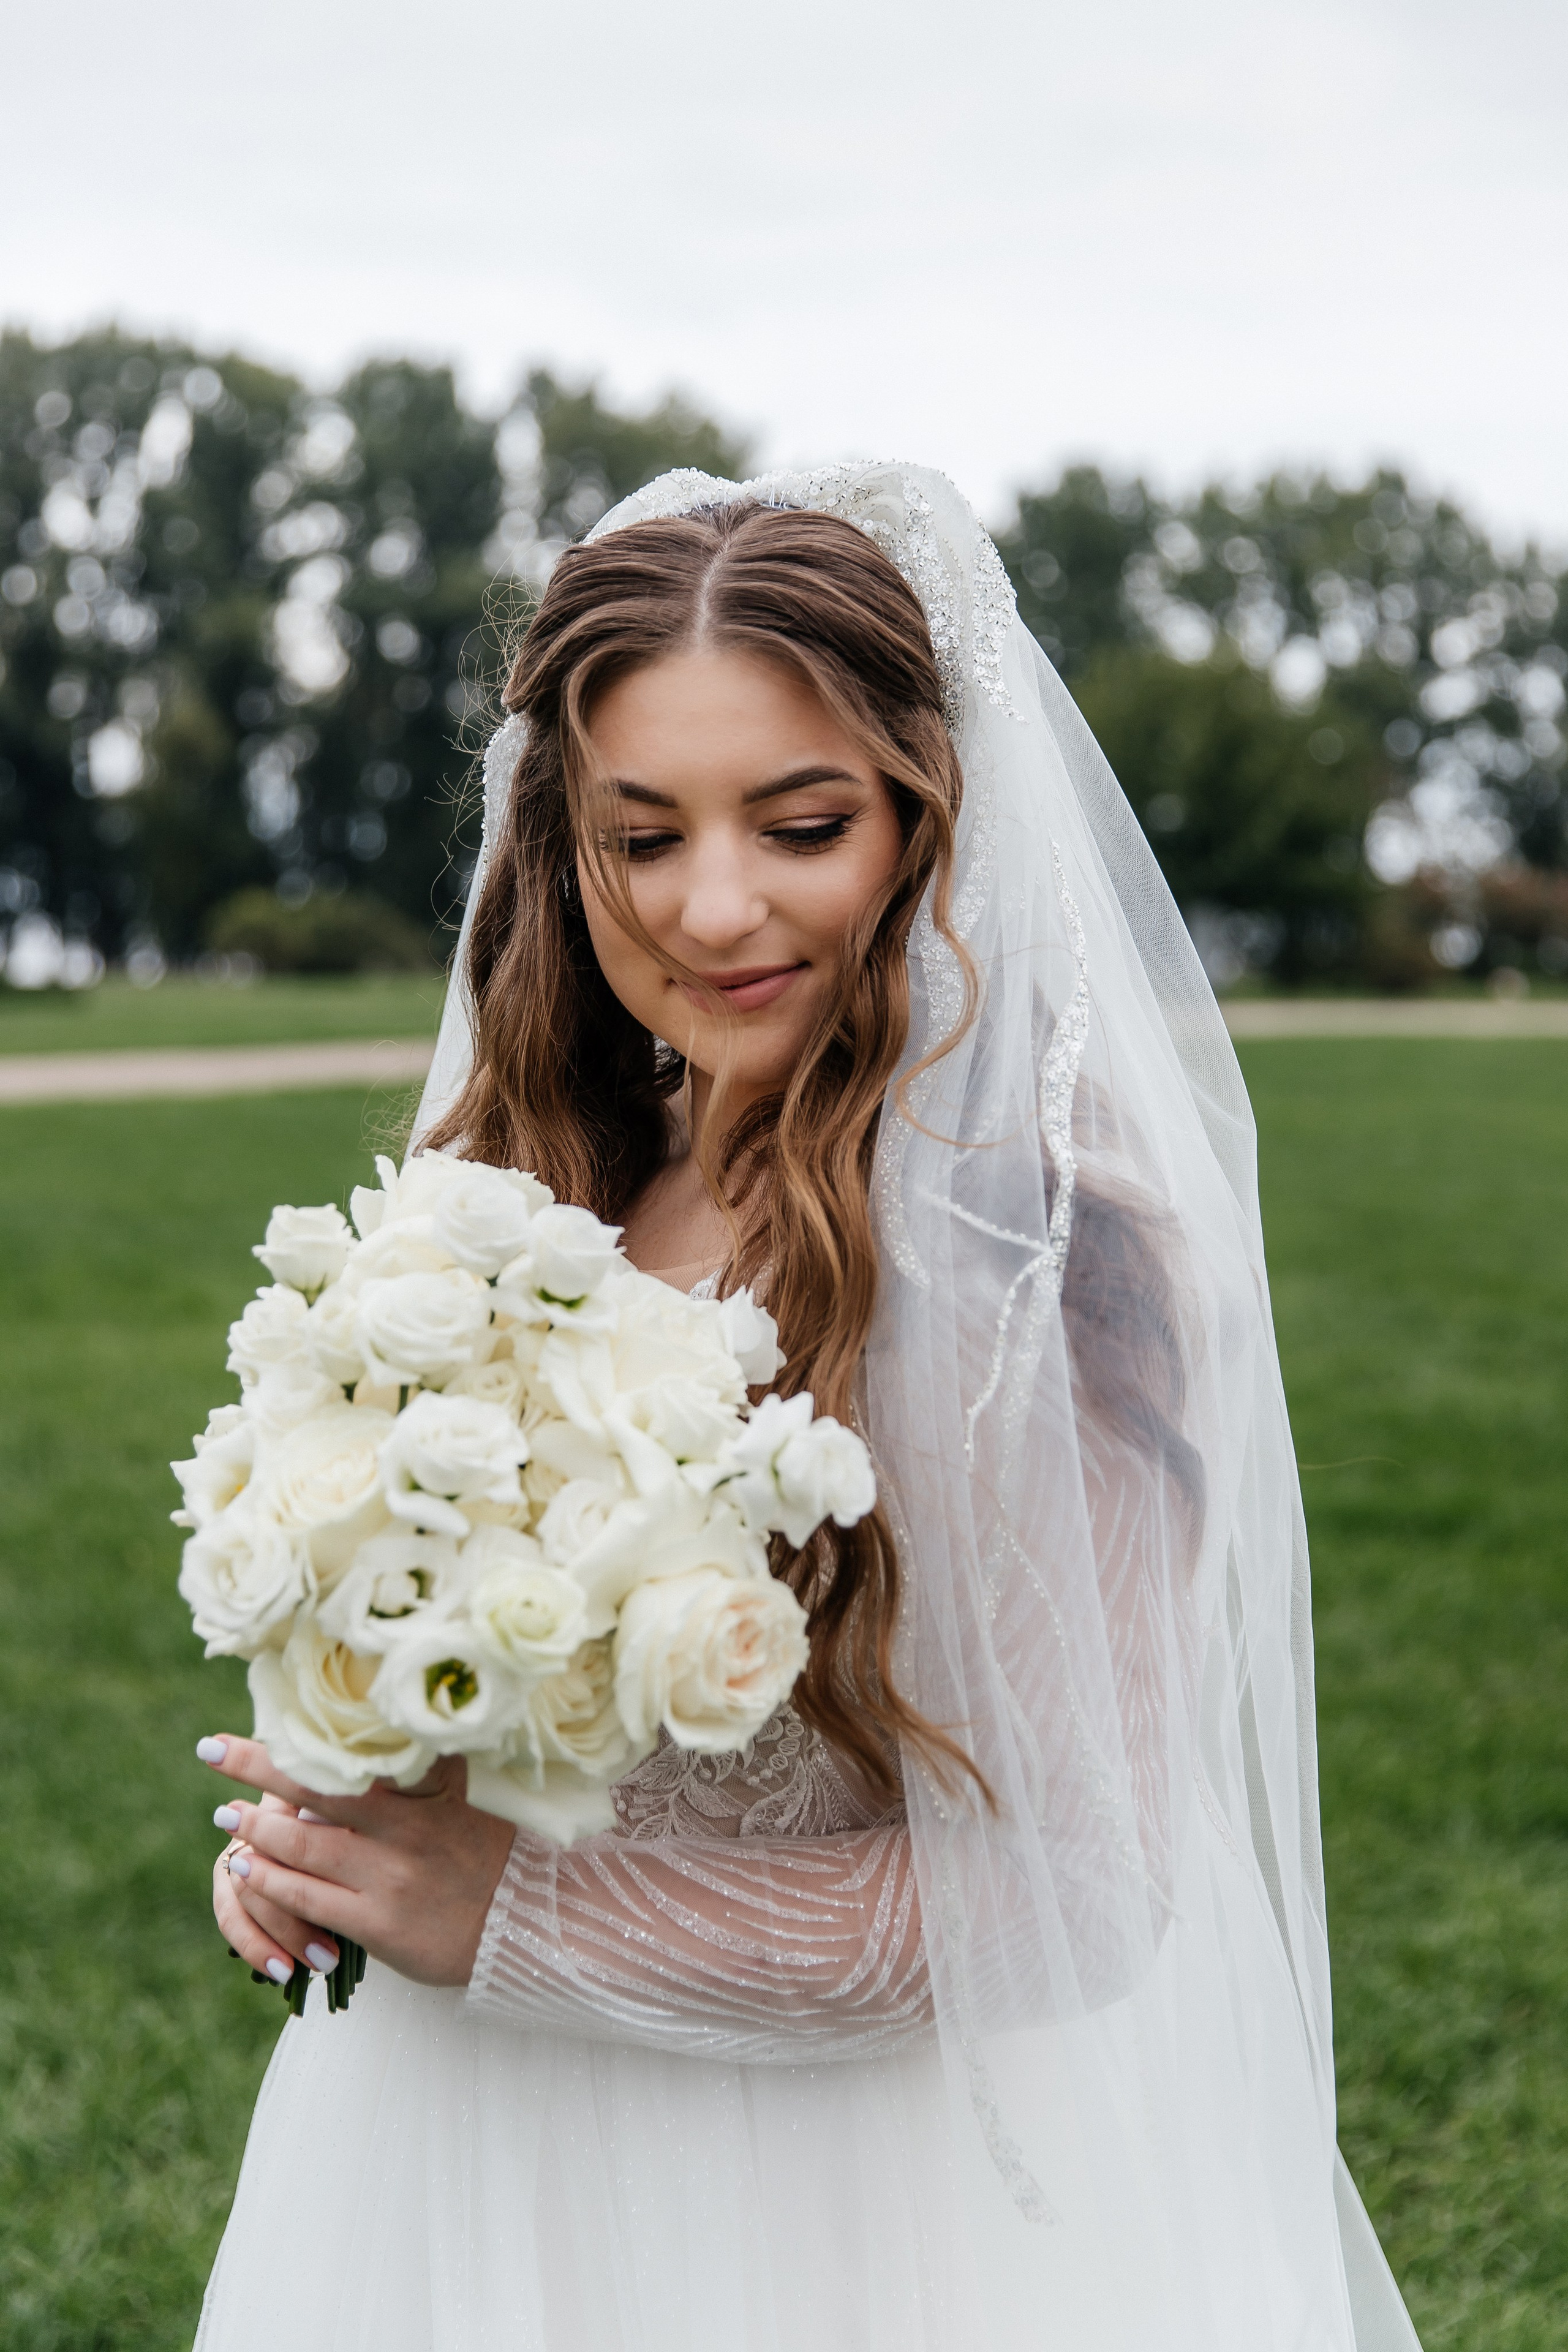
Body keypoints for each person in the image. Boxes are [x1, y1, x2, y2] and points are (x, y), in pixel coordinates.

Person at [192, 463, 1422, 2351]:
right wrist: (347, 1823)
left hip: (842, 2208)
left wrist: (516, 1920)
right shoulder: (542, 1182)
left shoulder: (1047, 1255)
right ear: (563, 850)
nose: (716, 907)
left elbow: (1077, 1893)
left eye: (801, 821)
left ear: (929, 817)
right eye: (642, 836)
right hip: (465, 2141)